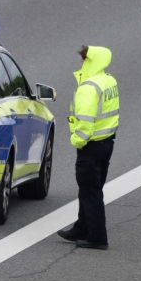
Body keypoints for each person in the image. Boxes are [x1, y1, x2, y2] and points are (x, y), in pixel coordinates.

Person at [58, 45, 119, 250]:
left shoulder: (88, 88)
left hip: (90, 145)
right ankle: (81, 228)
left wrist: (78, 140)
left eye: (85, 59)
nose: (82, 62)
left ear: (91, 61)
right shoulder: (109, 80)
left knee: (90, 191)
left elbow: (85, 121)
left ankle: (97, 237)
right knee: (91, 188)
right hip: (107, 141)